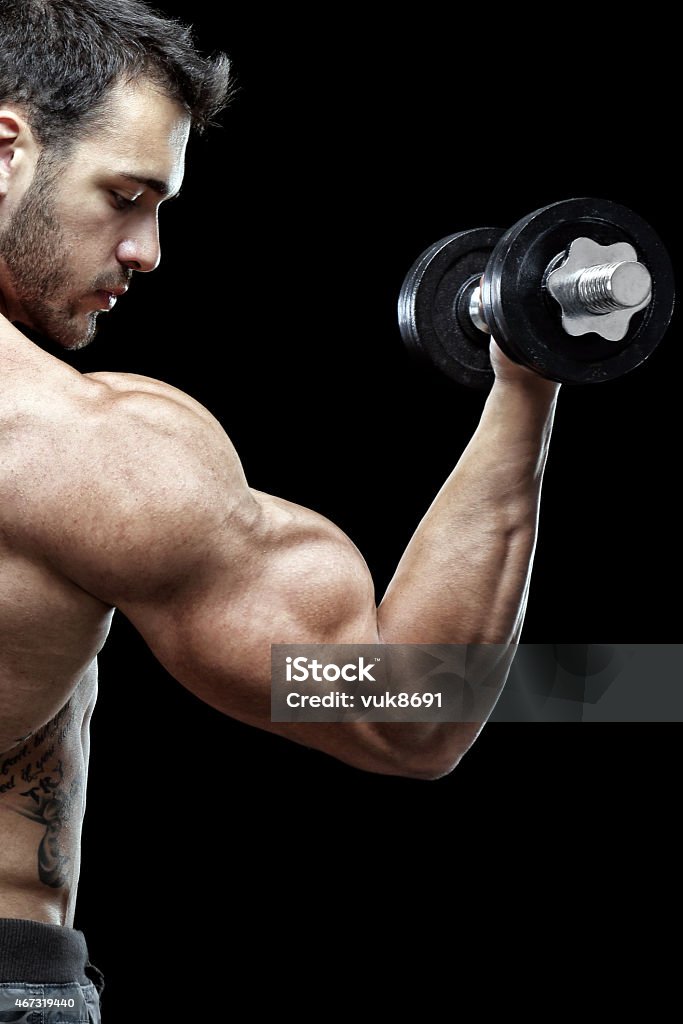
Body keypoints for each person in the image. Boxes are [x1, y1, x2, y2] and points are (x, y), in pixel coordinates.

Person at [0, 1, 560, 1019]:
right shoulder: (84, 453)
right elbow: (410, 711)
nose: (146, 250)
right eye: (124, 196)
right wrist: (526, 374)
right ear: (7, 149)